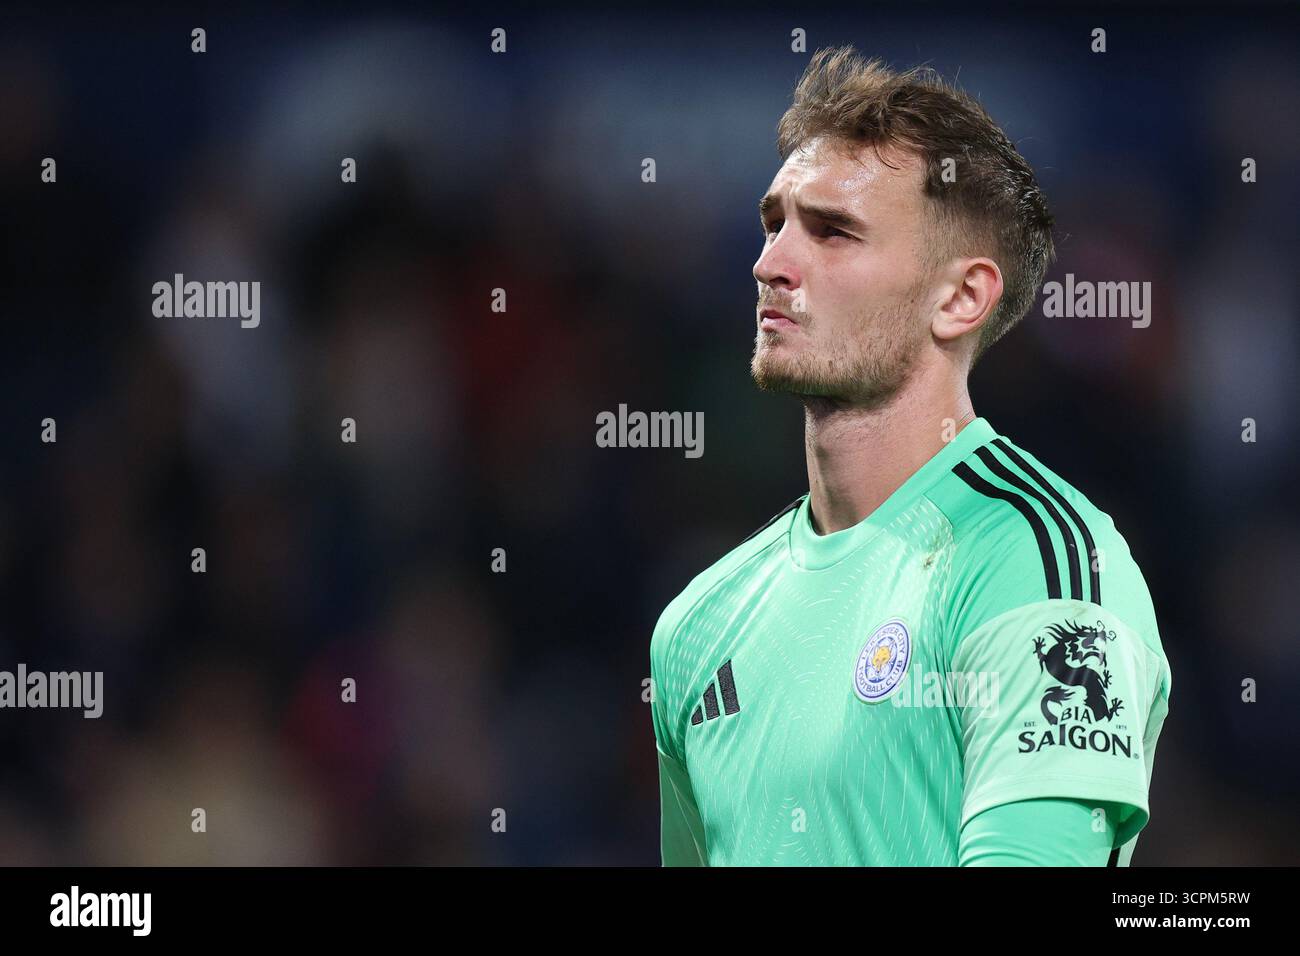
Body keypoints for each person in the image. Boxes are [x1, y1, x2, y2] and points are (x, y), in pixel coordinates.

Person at [650, 46, 1172, 866]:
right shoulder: (696, 626)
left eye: (832, 232)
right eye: (774, 223)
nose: (770, 265)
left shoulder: (1036, 568)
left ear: (962, 298)